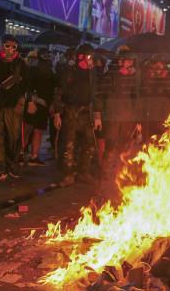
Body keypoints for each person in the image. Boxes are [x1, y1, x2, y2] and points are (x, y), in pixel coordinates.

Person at [53, 44, 101, 187]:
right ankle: (68, 174)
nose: (90, 61)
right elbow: (58, 93)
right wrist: (57, 113)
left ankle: (84, 172)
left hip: (86, 113)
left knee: (88, 145)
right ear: (80, 57)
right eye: (88, 57)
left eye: (91, 57)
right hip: (70, 112)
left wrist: (97, 116)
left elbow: (95, 95)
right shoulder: (69, 72)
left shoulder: (92, 74)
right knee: (68, 144)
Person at [0, 34, 30, 180]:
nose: (10, 49)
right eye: (7, 46)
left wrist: (27, 102)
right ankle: (1, 168)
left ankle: (12, 166)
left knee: (14, 138)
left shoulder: (21, 64)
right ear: (2, 46)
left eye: (13, 47)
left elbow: (28, 85)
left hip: (15, 106)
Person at [98, 46, 142, 177]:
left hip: (127, 117)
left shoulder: (133, 77)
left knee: (124, 145)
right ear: (120, 61)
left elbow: (135, 97)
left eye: (131, 62)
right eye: (127, 61)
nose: (130, 64)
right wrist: (97, 115)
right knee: (110, 145)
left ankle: (119, 173)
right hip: (112, 116)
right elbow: (100, 95)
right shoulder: (109, 75)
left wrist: (137, 118)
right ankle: (105, 174)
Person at [23, 48, 56, 166]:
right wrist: (32, 101)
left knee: (38, 130)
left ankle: (34, 156)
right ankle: (21, 154)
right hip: (35, 103)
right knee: (28, 129)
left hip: (43, 105)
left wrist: (51, 104)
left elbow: (53, 89)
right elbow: (28, 87)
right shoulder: (33, 70)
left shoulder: (50, 72)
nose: (47, 57)